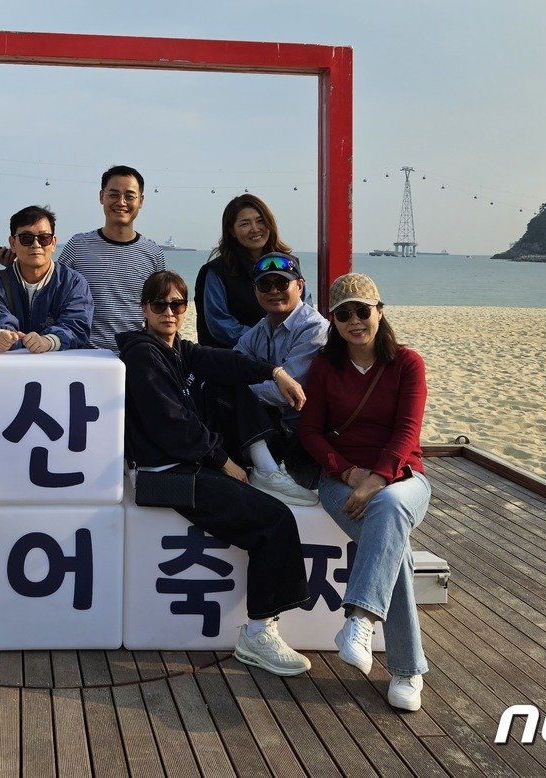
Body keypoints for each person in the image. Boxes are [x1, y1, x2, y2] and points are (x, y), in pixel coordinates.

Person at [119, 270, 314, 677]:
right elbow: (170, 423)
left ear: (185, 308)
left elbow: (224, 360)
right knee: (274, 520)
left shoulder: (177, 351)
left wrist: (274, 372)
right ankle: (258, 632)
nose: (169, 312)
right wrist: (222, 460)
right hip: (164, 473)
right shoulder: (142, 354)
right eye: (159, 304)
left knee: (231, 379)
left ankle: (264, 466)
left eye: (176, 304)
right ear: (144, 310)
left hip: (187, 461)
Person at [297, 272, 430, 712]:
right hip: (340, 481)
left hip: (404, 478)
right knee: (397, 550)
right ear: (333, 321)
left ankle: (360, 618)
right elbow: (310, 432)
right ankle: (408, 670)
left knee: (389, 507)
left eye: (362, 310)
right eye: (343, 313)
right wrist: (346, 470)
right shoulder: (323, 367)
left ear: (380, 312)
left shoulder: (407, 364)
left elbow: (407, 430)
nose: (355, 320)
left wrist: (377, 477)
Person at [233, 252, 329, 501]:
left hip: (304, 432)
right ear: (256, 291)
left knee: (231, 391)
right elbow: (233, 363)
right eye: (265, 284)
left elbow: (284, 393)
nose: (273, 290)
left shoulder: (314, 328)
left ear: (300, 285)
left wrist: (239, 390)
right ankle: (264, 469)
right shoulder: (262, 328)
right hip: (272, 426)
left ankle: (268, 470)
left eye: (281, 283)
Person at [59, 165, 165, 352]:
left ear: (141, 200)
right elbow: (51, 288)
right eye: (113, 194)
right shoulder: (78, 245)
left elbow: (159, 310)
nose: (121, 202)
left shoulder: (153, 253)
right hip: (84, 353)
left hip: (135, 354)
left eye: (129, 196)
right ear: (101, 197)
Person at [0, 205, 93, 352]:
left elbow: (77, 325)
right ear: (13, 244)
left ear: (53, 243)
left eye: (44, 238)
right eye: (26, 238)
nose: (36, 245)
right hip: (9, 368)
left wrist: (49, 341)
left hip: (60, 369)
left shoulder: (73, 283)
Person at [196, 194, 298, 348]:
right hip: (234, 360)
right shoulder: (217, 271)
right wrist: (266, 341)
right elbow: (219, 324)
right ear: (231, 230)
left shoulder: (288, 264)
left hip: (287, 354)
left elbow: (303, 309)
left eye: (260, 221)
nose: (255, 229)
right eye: (245, 224)